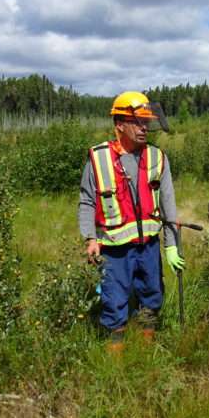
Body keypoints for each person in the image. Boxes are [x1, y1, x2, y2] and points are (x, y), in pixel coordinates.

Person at [78, 91, 184, 355]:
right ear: (119, 125)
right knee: (114, 302)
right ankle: (116, 362)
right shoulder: (99, 159)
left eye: (147, 122)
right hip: (113, 250)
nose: (144, 128)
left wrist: (171, 246)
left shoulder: (157, 158)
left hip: (148, 247)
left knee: (151, 296)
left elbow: (169, 207)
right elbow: (87, 202)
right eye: (138, 122)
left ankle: (145, 352)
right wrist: (90, 238)